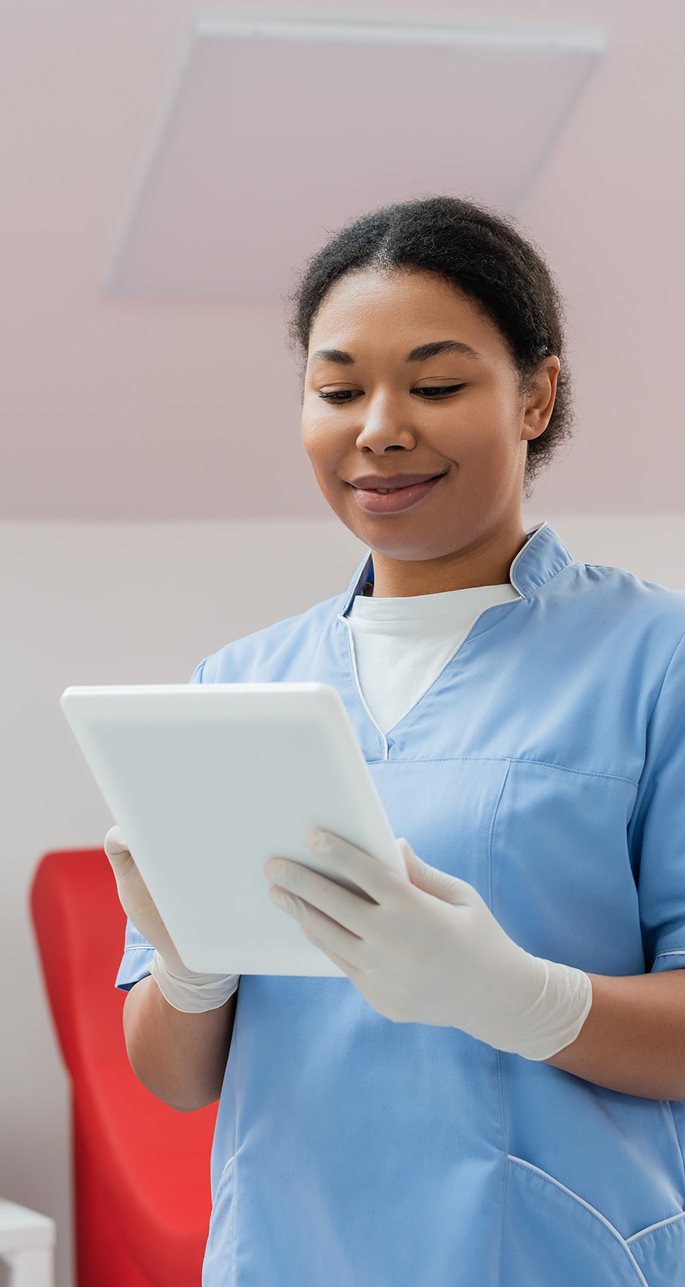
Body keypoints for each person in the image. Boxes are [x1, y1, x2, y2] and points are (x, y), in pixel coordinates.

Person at [110, 197, 685, 1286]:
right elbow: (176, 1079)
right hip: (287, 1256)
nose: (377, 427)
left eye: (434, 385)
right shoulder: (236, 685)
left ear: (535, 395)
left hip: (555, 1259)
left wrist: (519, 998)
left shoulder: (656, 661)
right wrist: (187, 971)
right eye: (336, 391)